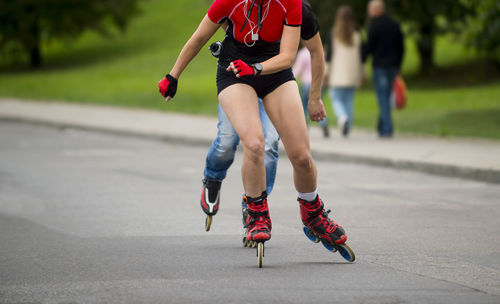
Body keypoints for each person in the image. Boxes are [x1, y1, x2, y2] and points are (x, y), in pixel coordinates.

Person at [158, 0, 348, 250]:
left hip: (274, 71)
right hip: (234, 72)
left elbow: (288, 56)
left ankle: (313, 212)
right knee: (255, 143)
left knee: (301, 156)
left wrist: (260, 69)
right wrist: (173, 75)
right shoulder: (228, 2)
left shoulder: (291, 3)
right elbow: (198, 38)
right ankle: (256, 212)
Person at [201, 0, 330, 233]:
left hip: (274, 80)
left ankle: (254, 206)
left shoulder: (298, 9)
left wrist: (314, 97)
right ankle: (213, 177)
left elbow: (315, 52)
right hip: (237, 76)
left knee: (267, 145)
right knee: (227, 142)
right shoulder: (237, 4)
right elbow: (216, 28)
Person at [362, 0, 404, 138]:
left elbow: (369, 47)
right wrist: (398, 65)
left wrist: (362, 59)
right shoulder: (394, 24)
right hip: (392, 66)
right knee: (385, 96)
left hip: (380, 66)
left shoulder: (374, 26)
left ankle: (387, 129)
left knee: (383, 97)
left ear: (376, 10)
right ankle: (381, 126)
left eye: (370, 9)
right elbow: (401, 47)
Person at [325, 5, 363, 137]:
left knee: (335, 98)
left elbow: (329, 56)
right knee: (348, 100)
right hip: (352, 74)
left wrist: (326, 73)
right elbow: (361, 56)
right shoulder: (357, 35)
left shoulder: (333, 34)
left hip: (337, 74)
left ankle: (342, 118)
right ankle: (348, 126)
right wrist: (362, 71)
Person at [293, 45, 329, 137]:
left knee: (304, 106)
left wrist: (292, 79)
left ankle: (305, 127)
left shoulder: (302, 53)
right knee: (319, 104)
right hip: (317, 83)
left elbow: (297, 69)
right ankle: (323, 123)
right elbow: (323, 67)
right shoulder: (321, 51)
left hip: (306, 83)